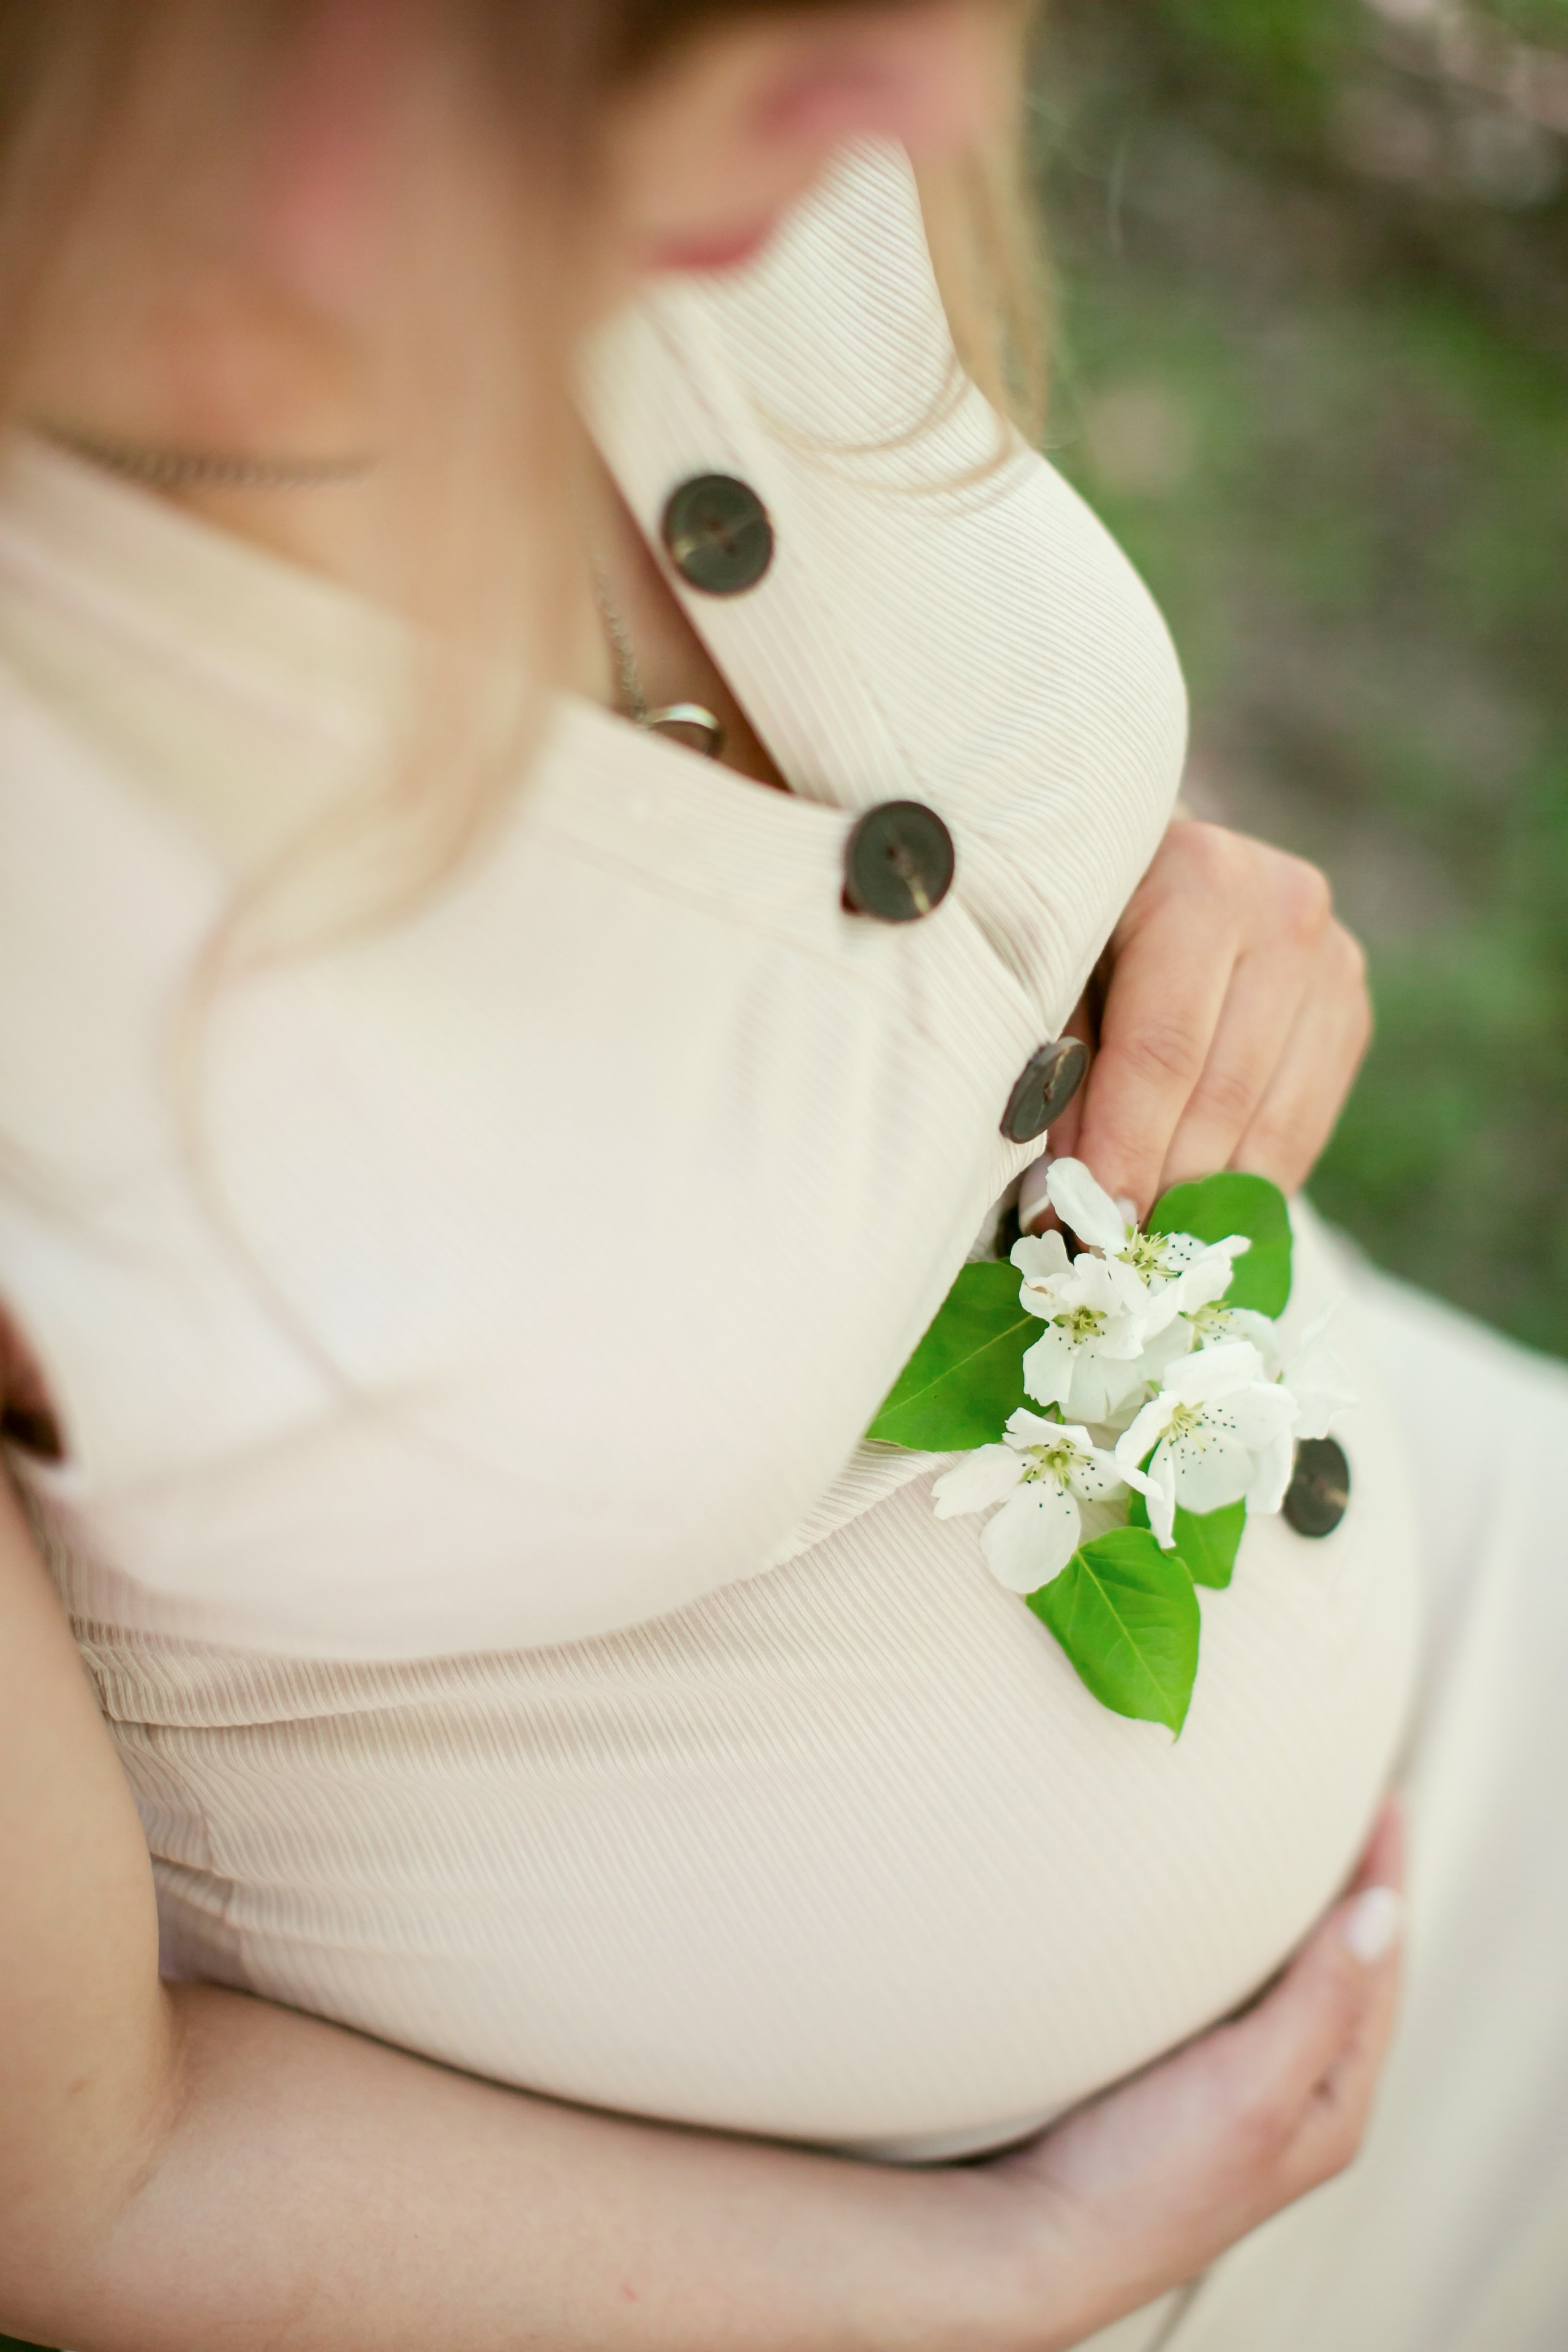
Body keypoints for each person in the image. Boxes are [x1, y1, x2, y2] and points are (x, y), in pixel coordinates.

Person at [0, 5, 1564, 2348]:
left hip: (1473, 1607)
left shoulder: (750, 127)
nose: (923, 112)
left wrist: (1156, 902)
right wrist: (1019, 2269)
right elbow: (82, 2187)